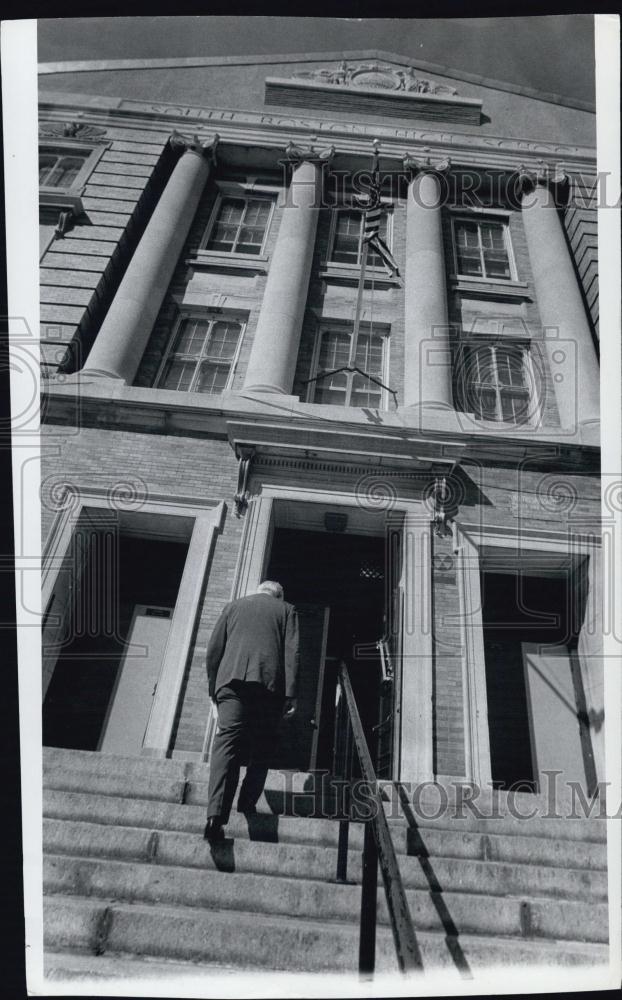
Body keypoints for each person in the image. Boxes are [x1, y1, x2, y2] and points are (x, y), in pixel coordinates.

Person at [203, 580, 299, 842]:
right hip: (268, 687)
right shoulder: (286, 610)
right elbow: (292, 653)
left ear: (258, 590)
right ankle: (247, 803)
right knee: (263, 747)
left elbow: (213, 652)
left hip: (230, 682)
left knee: (226, 745)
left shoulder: (232, 607)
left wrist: (214, 689)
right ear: (278, 595)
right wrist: (290, 694)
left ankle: (215, 817)